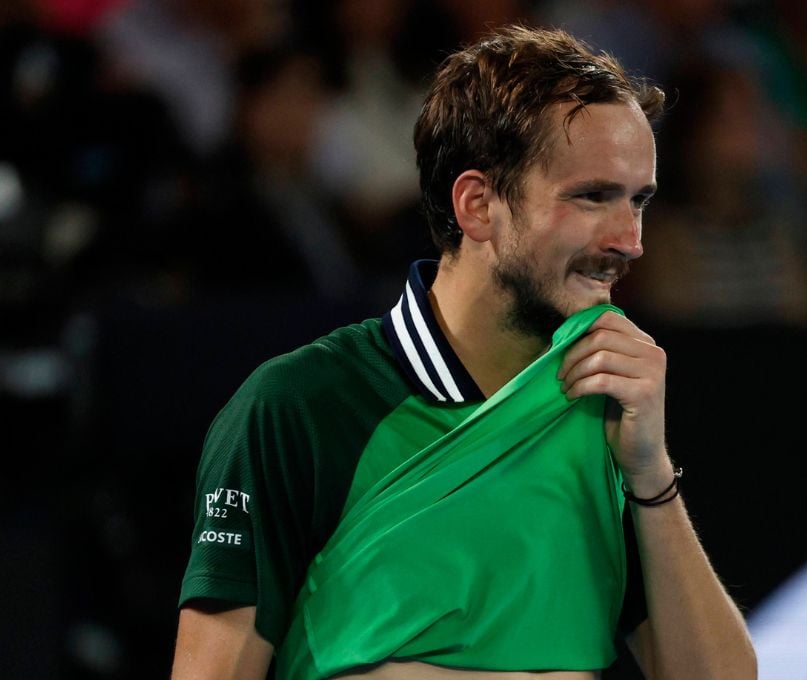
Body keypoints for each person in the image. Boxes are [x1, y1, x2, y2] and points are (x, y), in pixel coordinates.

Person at [170, 24, 756, 680]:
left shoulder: (607, 417)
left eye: (638, 201)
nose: (630, 240)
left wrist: (649, 475)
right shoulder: (297, 406)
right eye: (593, 197)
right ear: (478, 205)